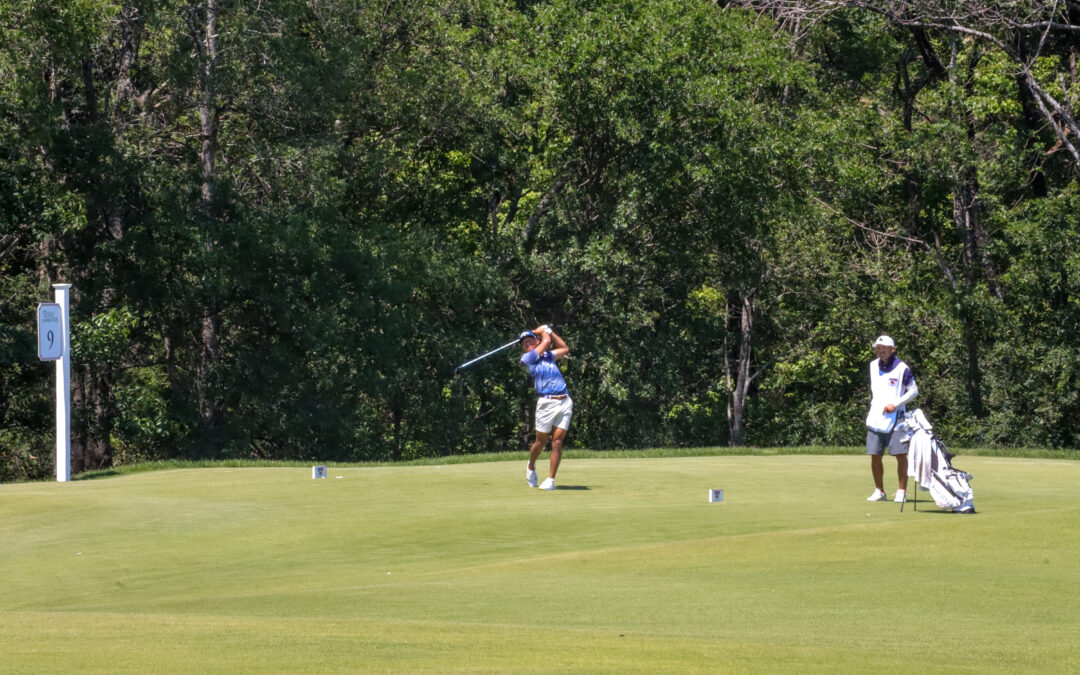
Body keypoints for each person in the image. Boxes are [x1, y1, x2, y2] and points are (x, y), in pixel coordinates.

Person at [865, 335, 919, 503]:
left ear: (892, 350)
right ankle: (879, 491)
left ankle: (901, 491)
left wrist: (895, 404)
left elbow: (913, 391)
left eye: (884, 347)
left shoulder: (902, 368)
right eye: (878, 347)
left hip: (897, 417)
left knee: (900, 454)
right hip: (876, 416)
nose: (880, 350)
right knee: (875, 454)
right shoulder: (873, 366)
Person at [519, 325, 572, 491]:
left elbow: (564, 348)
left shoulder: (548, 356)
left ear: (535, 341)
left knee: (557, 442)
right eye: (524, 342)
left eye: (530, 340)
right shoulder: (527, 358)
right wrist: (543, 332)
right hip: (546, 404)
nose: (527, 343)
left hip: (564, 401)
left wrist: (549, 331)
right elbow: (547, 341)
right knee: (540, 442)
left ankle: (550, 479)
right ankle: (531, 465)